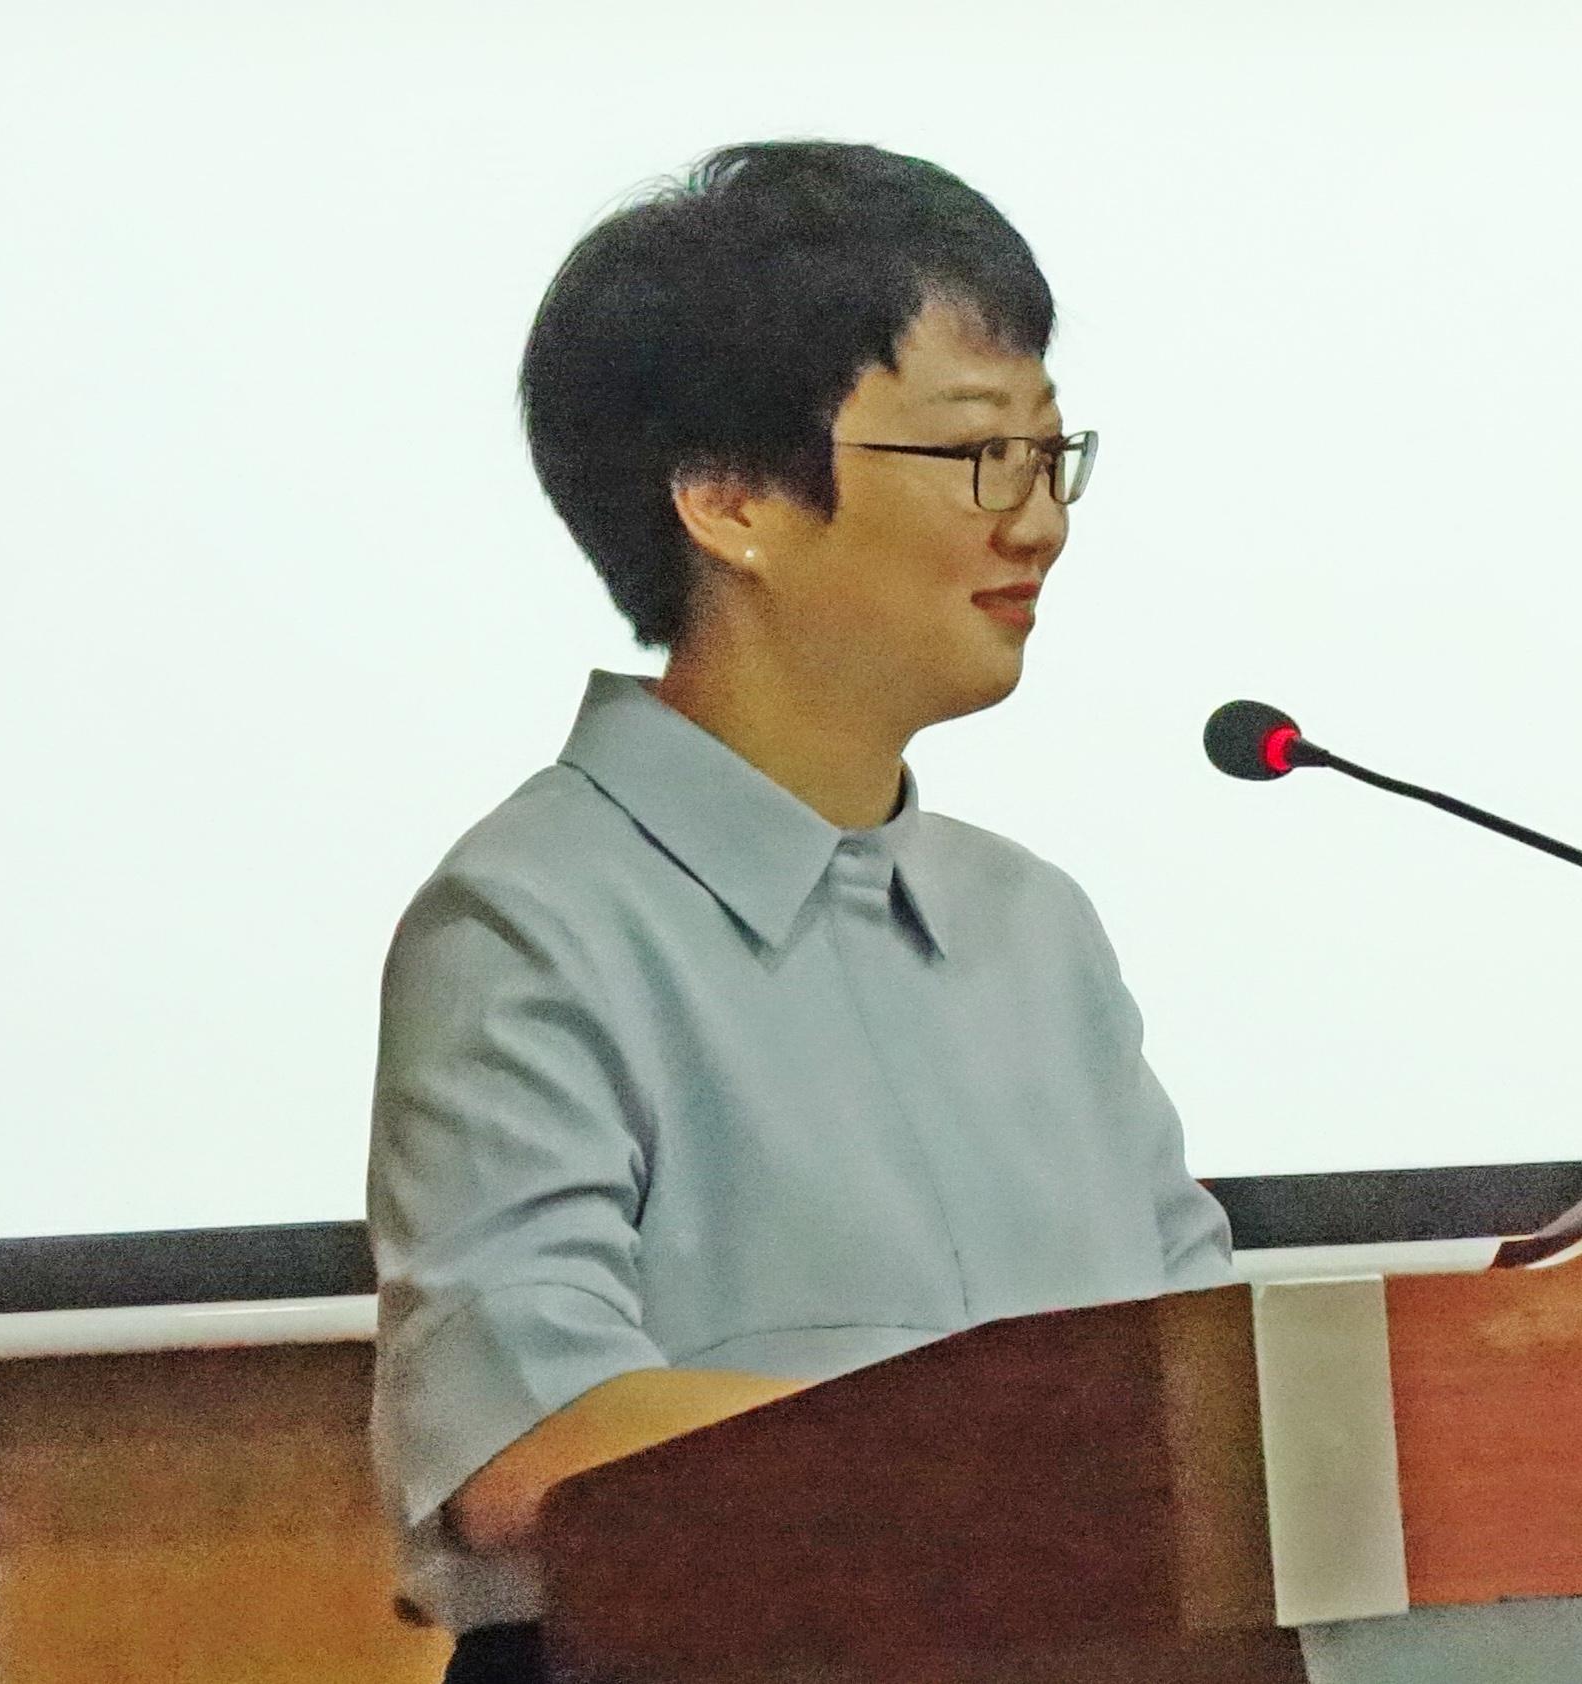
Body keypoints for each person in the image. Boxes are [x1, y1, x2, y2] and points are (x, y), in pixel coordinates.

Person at [365, 140, 1232, 1684]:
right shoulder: (529, 919)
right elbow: (534, 1443)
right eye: (977, 455)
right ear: (730, 500)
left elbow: (1217, 1403)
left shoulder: (1034, 929)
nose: (1039, 523)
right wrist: (1045, 1466)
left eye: (1052, 456)